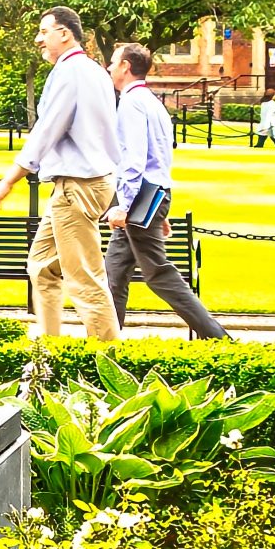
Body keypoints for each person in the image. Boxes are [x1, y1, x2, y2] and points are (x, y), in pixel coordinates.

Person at [0, 6, 121, 342]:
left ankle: (114, 363)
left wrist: (7, 182)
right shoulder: (94, 71)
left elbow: (45, 132)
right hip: (87, 184)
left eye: (44, 31)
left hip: (76, 187)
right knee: (42, 267)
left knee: (85, 280)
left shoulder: (70, 72)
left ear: (65, 33)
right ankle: (48, 351)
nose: (38, 39)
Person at [105, 43, 229, 340]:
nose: (108, 68)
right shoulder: (152, 101)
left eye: (112, 63)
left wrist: (125, 204)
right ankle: (105, 342)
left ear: (125, 66)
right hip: (153, 195)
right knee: (114, 272)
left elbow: (134, 160)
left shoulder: (132, 103)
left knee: (158, 274)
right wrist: (158, 208)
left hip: (141, 198)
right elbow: (160, 158)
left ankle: (217, 336)